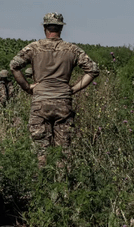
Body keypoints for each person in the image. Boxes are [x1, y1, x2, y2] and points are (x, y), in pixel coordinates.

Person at [10, 13, 99, 165]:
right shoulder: (72, 50)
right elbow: (93, 70)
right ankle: (63, 184)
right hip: (63, 102)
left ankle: (43, 184)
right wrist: (73, 89)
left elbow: (14, 66)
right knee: (63, 153)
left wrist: (28, 88)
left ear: (45, 28)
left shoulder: (34, 48)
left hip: (40, 102)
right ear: (61, 29)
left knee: (40, 152)